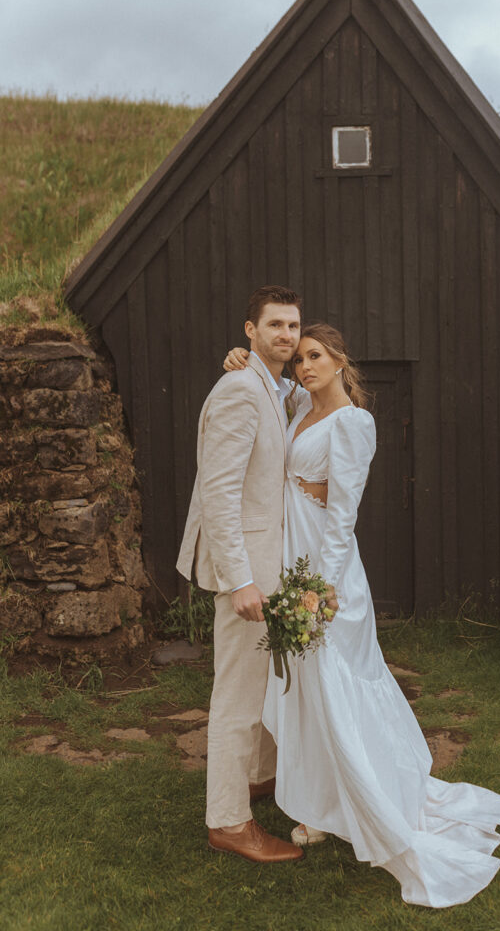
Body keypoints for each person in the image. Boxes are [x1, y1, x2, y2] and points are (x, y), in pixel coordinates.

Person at [223, 323, 500, 907]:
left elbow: (344, 513)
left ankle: (342, 804)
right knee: (305, 686)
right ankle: (316, 796)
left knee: (333, 686)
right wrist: (242, 357)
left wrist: (324, 592)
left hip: (324, 573)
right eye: (299, 357)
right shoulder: (298, 400)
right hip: (288, 554)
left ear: (339, 360)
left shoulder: (354, 422)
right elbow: (268, 394)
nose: (304, 366)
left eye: (315, 356)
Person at [176, 285, 308, 863]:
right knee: (236, 695)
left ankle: (257, 778)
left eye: (293, 326)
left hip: (267, 564)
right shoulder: (239, 390)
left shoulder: (272, 388)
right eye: (274, 325)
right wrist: (239, 580)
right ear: (249, 331)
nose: (286, 334)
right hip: (245, 572)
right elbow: (220, 493)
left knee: (265, 686)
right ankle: (229, 821)